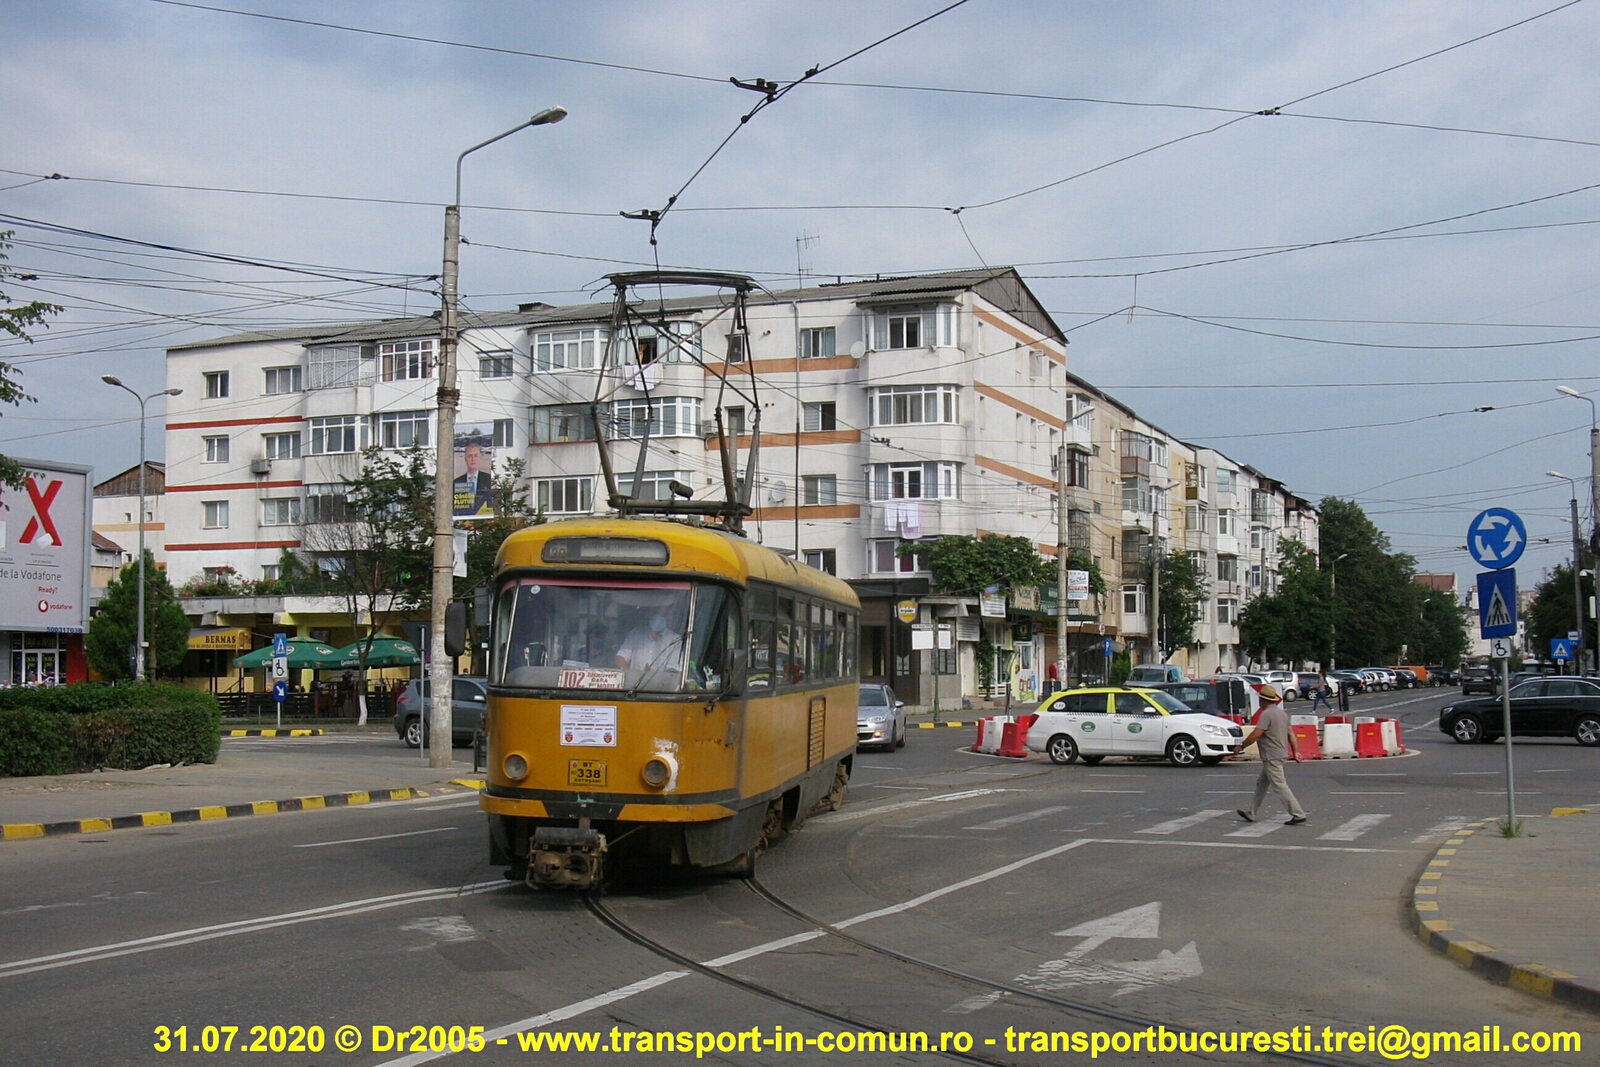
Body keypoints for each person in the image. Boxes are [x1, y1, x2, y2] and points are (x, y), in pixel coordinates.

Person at [1237, 684, 1308, 826]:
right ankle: (1251, 812)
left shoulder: (1266, 714)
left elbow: (1257, 733)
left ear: (1262, 700)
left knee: (1280, 785)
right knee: (1262, 784)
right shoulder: (1282, 714)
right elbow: (1291, 734)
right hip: (1280, 754)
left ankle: (1298, 813)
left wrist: (1242, 745)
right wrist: (1296, 751)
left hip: (1271, 756)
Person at [614, 609, 684, 679]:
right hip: (633, 685)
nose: (657, 617)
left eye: (662, 614)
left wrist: (654, 677)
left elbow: (673, 672)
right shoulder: (635, 634)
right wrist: (630, 675)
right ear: (648, 614)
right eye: (654, 613)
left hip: (662, 685)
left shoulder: (675, 640)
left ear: (668, 617)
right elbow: (620, 658)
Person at [452, 442, 494, 517]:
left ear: (480, 458)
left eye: (475, 456)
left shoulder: (488, 480)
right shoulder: (457, 482)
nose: (473, 459)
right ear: (465, 459)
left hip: (483, 519)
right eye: (470, 456)